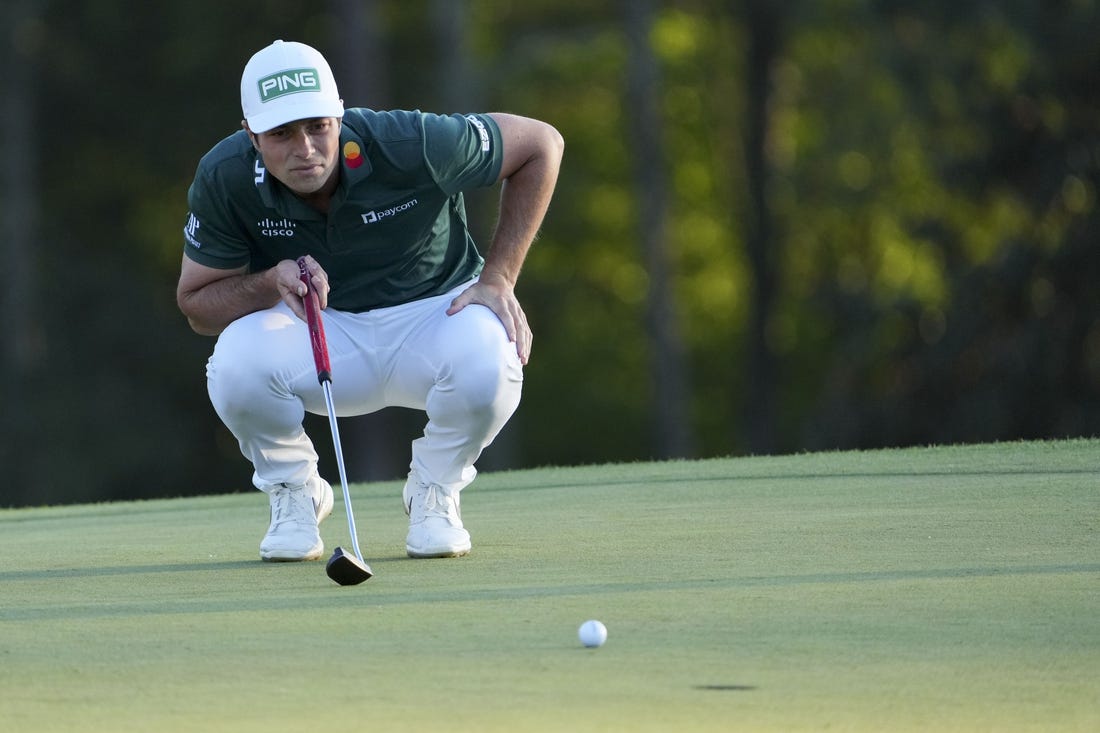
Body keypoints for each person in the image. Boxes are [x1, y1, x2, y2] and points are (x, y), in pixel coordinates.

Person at [176, 40, 563, 562]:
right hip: (320, 333)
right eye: (281, 134)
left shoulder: (410, 141)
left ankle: (434, 491)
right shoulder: (224, 175)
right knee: (236, 363)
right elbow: (197, 306)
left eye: (317, 126)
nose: (306, 148)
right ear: (251, 134)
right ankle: (296, 493)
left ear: (339, 115)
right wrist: (270, 280)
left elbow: (541, 143)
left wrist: (499, 277)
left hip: (435, 317)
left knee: (492, 354)